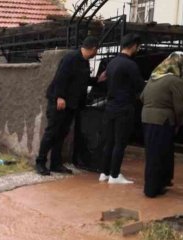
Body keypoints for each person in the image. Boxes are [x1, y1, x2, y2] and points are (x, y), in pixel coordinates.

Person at [35, 36, 105, 176]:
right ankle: (40, 163)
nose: (96, 53)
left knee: (62, 134)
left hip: (72, 105)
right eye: (97, 50)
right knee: (52, 132)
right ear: (93, 49)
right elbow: (61, 77)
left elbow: (81, 81)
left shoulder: (85, 62)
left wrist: (97, 80)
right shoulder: (71, 58)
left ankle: (55, 164)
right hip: (59, 102)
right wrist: (60, 97)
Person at [140, 51, 183, 198]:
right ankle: (152, 189)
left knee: (153, 153)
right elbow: (179, 106)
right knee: (159, 154)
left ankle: (156, 184)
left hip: (147, 118)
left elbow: (142, 97)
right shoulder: (175, 81)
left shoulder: (154, 77)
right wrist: (181, 122)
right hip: (162, 121)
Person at [101, 33, 145, 185]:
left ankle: (105, 173)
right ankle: (115, 175)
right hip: (124, 108)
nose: (138, 49)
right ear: (133, 46)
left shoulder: (112, 63)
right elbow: (140, 86)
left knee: (110, 142)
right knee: (120, 143)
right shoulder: (130, 65)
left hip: (110, 106)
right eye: (138, 47)